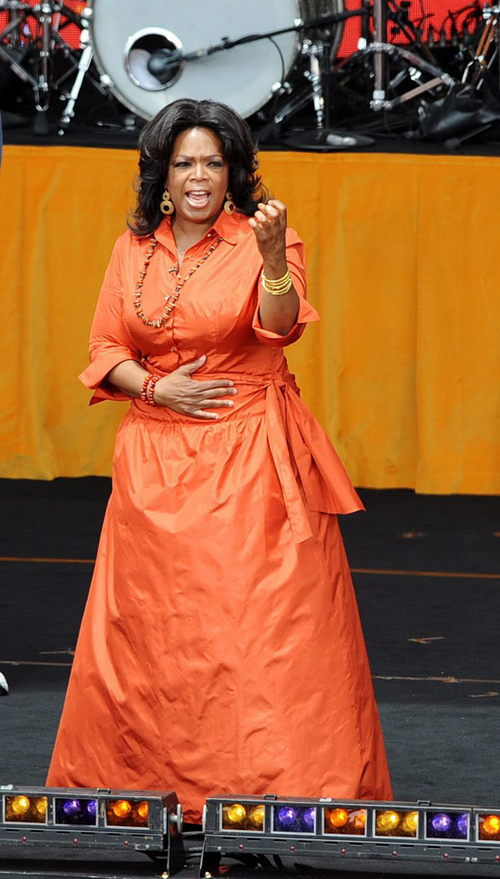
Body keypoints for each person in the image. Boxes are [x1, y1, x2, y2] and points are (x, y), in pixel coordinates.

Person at [47, 98, 392, 821]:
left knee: (251, 632)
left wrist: (272, 261)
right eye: (185, 164)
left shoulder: (265, 238)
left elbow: (281, 328)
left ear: (233, 172)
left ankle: (266, 800)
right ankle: (150, 793)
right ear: (162, 176)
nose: (199, 176)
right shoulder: (132, 247)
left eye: (213, 162)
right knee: (153, 635)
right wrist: (154, 387)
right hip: (152, 462)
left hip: (247, 458)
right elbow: (105, 347)